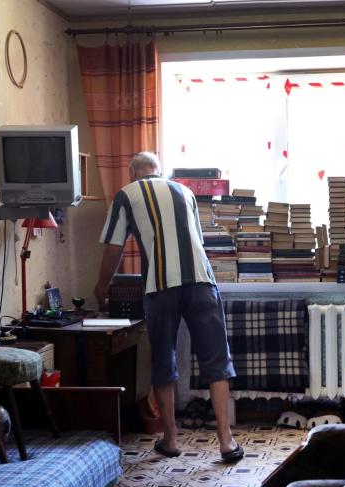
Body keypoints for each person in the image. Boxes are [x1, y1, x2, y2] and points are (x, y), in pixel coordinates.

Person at [93, 152, 243, 462]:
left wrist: (102, 286)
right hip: (202, 282)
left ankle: (171, 439)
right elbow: (195, 241)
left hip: (160, 288)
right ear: (158, 172)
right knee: (216, 360)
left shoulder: (126, 194)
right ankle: (226, 442)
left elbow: (114, 247)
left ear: (133, 173)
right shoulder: (184, 192)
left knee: (163, 359)